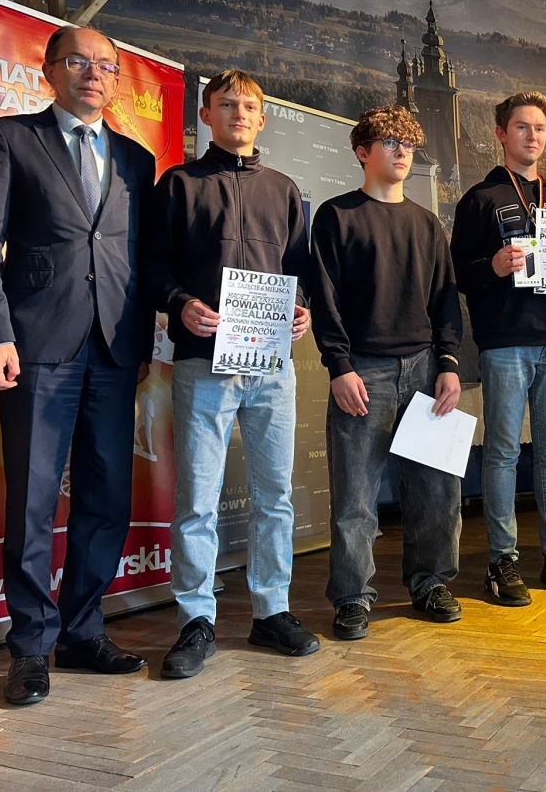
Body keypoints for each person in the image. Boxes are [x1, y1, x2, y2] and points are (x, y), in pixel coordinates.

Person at [0, 26, 155, 705]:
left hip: (115, 350)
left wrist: (147, 340)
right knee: (33, 501)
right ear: (49, 70)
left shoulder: (137, 159)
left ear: (117, 80)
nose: (93, 73)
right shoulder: (10, 138)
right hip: (37, 346)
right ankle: (29, 646)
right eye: (79, 61)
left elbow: (137, 257)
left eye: (106, 65)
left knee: (106, 500)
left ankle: (81, 631)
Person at [145, 70, 318, 679]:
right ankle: (196, 619)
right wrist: (179, 303)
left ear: (262, 118)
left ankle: (272, 611)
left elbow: (299, 269)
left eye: (248, 106)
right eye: (226, 104)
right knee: (197, 499)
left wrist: (302, 309)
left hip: (271, 366)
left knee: (275, 496)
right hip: (202, 362)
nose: (238, 113)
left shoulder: (284, 189)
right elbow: (151, 266)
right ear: (206, 114)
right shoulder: (178, 184)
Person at [310, 106, 465, 639]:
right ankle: (353, 596)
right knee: (355, 496)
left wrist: (448, 364)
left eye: (408, 144)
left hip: (425, 368)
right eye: (390, 143)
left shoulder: (426, 223)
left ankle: (430, 582)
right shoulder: (336, 216)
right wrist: (339, 366)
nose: (402, 152)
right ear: (362, 152)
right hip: (363, 371)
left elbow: (446, 301)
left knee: (437, 489)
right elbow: (325, 301)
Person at [451, 91, 546, 606]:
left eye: (539, 128)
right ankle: (502, 560)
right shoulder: (480, 199)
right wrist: (492, 266)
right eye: (522, 127)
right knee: (501, 452)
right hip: (505, 340)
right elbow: (457, 273)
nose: (532, 136)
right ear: (502, 134)